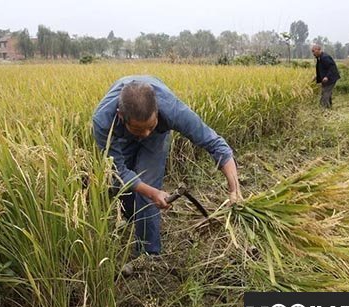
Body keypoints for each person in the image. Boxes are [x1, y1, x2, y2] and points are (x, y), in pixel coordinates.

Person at [92, 75, 241, 256]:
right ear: (120, 116)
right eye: (139, 129)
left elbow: (215, 144)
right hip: (121, 136)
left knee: (147, 190)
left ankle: (148, 256)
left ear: (157, 111)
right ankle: (135, 219)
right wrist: (152, 193)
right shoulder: (103, 121)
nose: (146, 134)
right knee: (120, 186)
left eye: (151, 125)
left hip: (157, 138)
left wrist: (234, 188)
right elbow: (118, 170)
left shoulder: (172, 110)